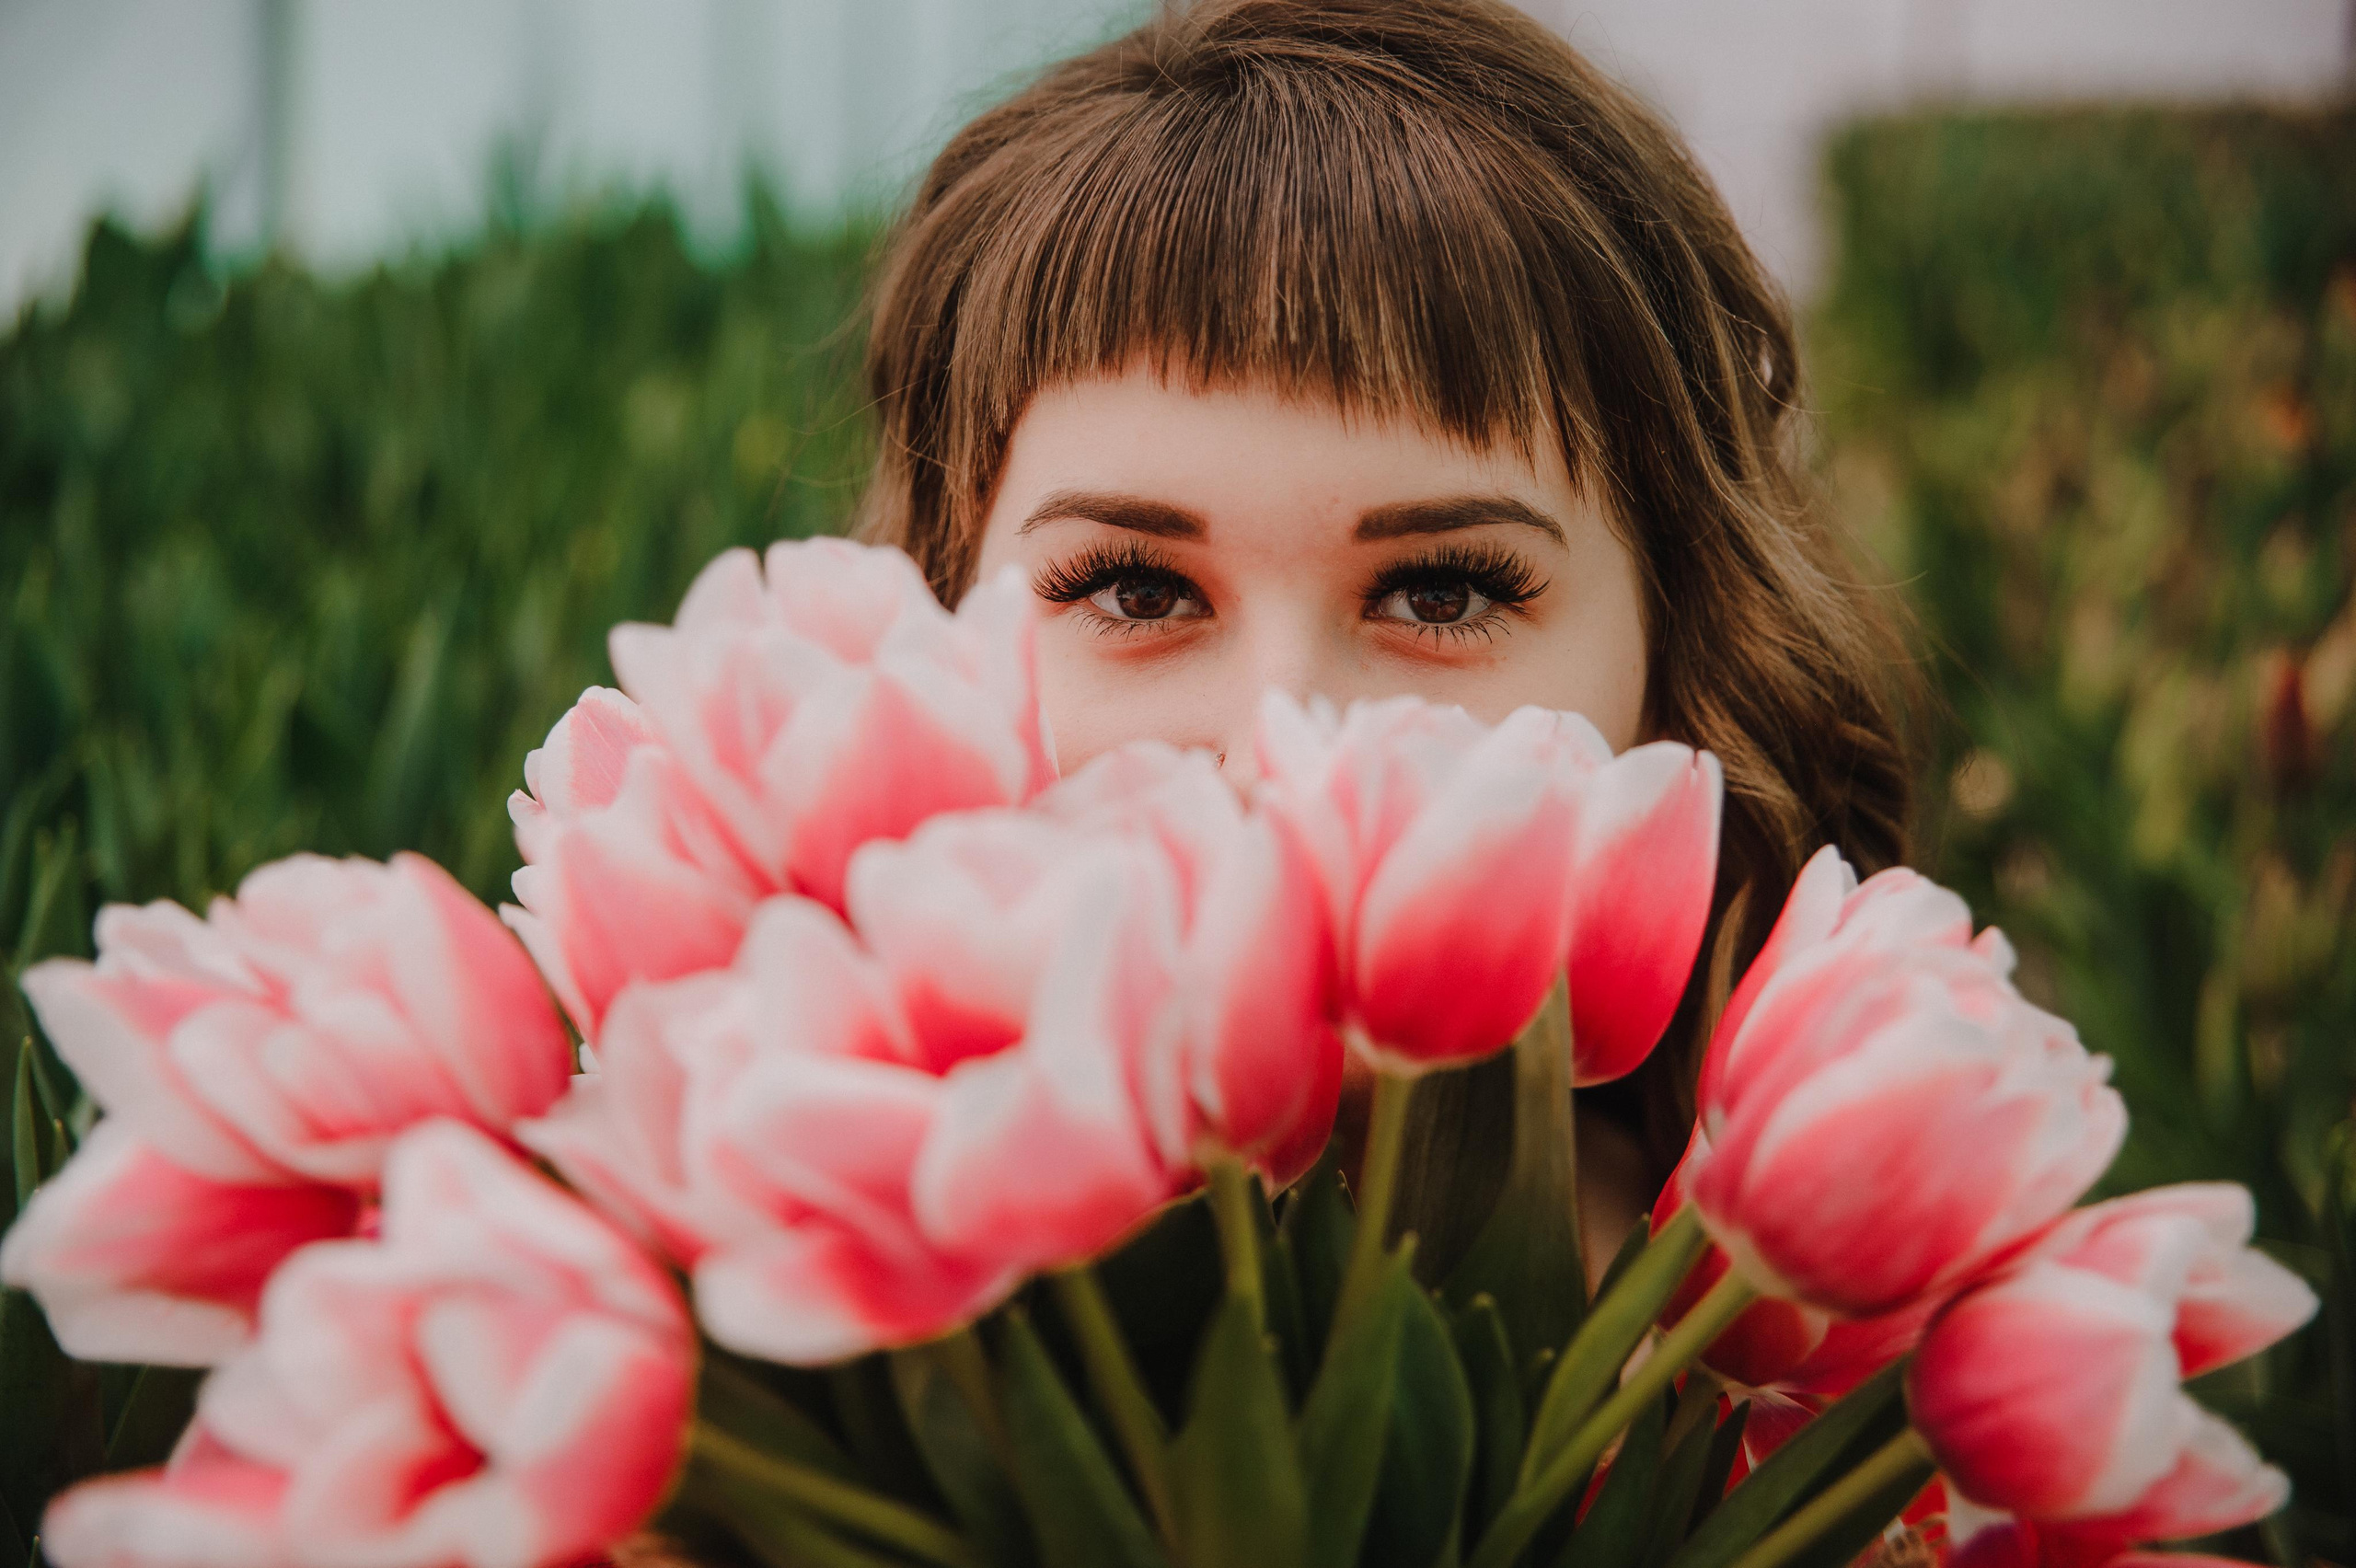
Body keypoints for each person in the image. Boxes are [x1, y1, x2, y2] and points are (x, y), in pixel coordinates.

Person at [851, 0, 1916, 1275]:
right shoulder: (791, 1363)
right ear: (926, 632)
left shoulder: (1839, 1393)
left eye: (1441, 595)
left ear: (1685, 650)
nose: (1285, 755)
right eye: (1137, 591)